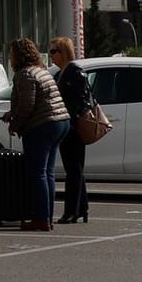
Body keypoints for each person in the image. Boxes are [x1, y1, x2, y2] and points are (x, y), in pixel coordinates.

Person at [0, 37, 70, 232]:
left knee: (37, 173)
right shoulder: (42, 71)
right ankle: (47, 216)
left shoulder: (25, 74)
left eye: (12, 53)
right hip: (60, 122)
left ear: (18, 56)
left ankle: (40, 218)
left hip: (43, 126)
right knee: (47, 173)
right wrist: (12, 113)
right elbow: (36, 100)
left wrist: (16, 124)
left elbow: (28, 105)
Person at [48, 36, 90, 224]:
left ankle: (72, 211)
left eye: (54, 51)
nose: (51, 55)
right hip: (65, 125)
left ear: (64, 52)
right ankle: (81, 207)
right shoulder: (59, 74)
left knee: (74, 169)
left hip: (73, 126)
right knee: (74, 168)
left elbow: (82, 101)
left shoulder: (75, 72)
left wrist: (70, 119)